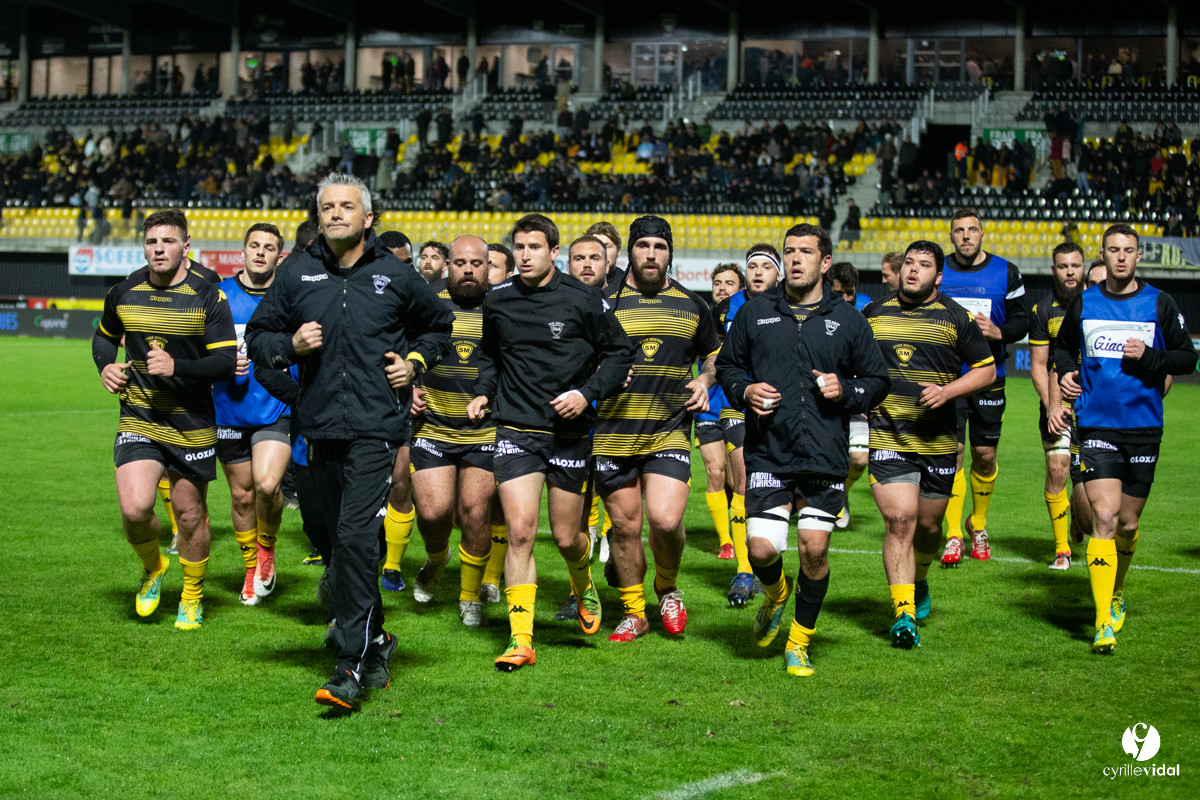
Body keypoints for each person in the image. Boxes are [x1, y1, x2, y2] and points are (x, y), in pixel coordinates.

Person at [245, 173, 453, 709]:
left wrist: (414, 363)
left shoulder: (395, 274)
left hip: (375, 429)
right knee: (338, 544)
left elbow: (439, 325)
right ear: (318, 217)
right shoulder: (296, 273)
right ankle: (379, 640)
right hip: (317, 430)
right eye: (327, 207)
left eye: (347, 206)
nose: (336, 214)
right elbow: (260, 337)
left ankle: (351, 663)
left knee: (357, 537)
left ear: (369, 216)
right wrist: (289, 348)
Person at [717, 223, 888, 676]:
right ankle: (775, 593)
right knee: (760, 551)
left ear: (824, 263)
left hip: (823, 453)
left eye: (805, 253)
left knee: (814, 549)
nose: (795, 260)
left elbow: (878, 381)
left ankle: (799, 642)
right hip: (770, 450)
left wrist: (846, 389)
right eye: (789, 252)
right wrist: (744, 390)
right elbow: (729, 367)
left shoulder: (848, 320)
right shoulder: (755, 314)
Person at [467, 213, 633, 671]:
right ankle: (521, 640)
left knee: (565, 536)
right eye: (519, 247)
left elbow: (620, 353)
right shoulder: (497, 299)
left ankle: (582, 582)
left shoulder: (583, 298)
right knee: (520, 531)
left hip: (569, 433)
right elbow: (490, 355)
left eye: (534, 247)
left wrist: (586, 394)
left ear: (553, 253)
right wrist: (484, 390)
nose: (524, 255)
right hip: (517, 429)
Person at [1052, 223, 1197, 654]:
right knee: (1105, 517)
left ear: (1138, 256)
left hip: (1145, 429)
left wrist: (1151, 357)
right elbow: (1062, 347)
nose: (1120, 257)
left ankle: (1115, 592)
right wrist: (1067, 373)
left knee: (1128, 525)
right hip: (1097, 426)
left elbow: (1188, 357)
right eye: (1113, 249)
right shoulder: (1085, 302)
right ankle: (1101, 623)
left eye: (1128, 250)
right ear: (1103, 253)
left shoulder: (1159, 303)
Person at [92, 208, 237, 631]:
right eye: (152, 241)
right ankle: (154, 567)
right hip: (139, 415)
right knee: (135, 508)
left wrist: (178, 367)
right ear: (144, 246)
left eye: (168, 241)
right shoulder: (124, 290)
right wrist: (105, 365)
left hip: (191, 421)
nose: (159, 249)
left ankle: (192, 594)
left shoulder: (209, 294)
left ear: (185, 247)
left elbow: (226, 362)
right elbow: (104, 337)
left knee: (190, 515)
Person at [863, 240, 996, 649]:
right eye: (908, 263)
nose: (913, 270)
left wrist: (949, 391)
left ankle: (919, 580)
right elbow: (852, 363)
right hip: (888, 435)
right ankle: (903, 615)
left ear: (938, 276)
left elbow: (987, 370)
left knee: (928, 525)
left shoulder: (955, 317)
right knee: (899, 521)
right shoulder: (872, 315)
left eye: (923, 265)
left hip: (938, 439)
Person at [595, 215, 720, 641]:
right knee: (626, 527)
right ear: (629, 250)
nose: (651, 254)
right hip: (611, 432)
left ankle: (666, 588)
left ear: (670, 253)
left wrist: (705, 379)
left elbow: (715, 354)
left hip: (668, 430)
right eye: (643, 245)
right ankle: (634, 611)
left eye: (660, 247)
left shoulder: (692, 304)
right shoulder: (603, 300)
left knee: (665, 522)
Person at [408, 236, 498, 627]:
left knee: (476, 513)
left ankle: (468, 596)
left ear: (488, 266)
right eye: (460, 262)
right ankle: (437, 556)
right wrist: (406, 386)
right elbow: (396, 347)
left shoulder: (502, 307)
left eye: (476, 263)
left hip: (485, 429)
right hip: (432, 423)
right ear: (447, 266)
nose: (467, 269)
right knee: (432, 511)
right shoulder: (424, 303)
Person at [939, 208, 1029, 566]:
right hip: (950, 378)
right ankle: (953, 535)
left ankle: (978, 523)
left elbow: (1022, 319)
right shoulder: (939, 269)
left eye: (972, 229)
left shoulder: (1006, 271)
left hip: (990, 375)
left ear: (981, 233)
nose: (965, 236)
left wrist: (999, 332)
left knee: (985, 456)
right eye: (959, 230)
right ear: (951, 236)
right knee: (954, 453)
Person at [212, 223, 291, 606]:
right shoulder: (219, 297)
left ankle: (267, 550)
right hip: (228, 409)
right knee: (242, 498)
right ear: (242, 252)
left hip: (276, 408)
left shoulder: (289, 298)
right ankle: (250, 570)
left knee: (266, 485)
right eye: (254, 246)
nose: (261, 252)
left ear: (280, 256)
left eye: (269, 247)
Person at [712, 245, 780, 606]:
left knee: (769, 483)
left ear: (777, 275)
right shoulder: (727, 308)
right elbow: (718, 356)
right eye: (752, 265)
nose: (757, 272)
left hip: (779, 405)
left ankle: (767, 556)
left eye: (765, 267)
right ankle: (743, 570)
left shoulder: (790, 305)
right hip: (737, 403)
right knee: (741, 479)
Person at [1027, 242, 1085, 570]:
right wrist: (1052, 405)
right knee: (1057, 468)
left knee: (1087, 481)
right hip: (1056, 402)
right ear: (1054, 270)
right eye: (1063, 266)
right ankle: (1062, 549)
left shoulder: (1097, 303)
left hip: (1094, 405)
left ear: (1084, 268)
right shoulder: (1042, 311)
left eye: (1074, 266)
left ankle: (1080, 517)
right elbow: (1039, 365)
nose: (1069, 272)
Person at [697, 263, 743, 565]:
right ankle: (726, 542)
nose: (722, 288)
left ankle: (740, 535)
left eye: (729, 283)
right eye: (717, 282)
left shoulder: (745, 318)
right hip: (708, 405)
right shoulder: (704, 320)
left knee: (734, 477)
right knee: (715, 472)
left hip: (737, 405)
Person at [827, 261, 872, 530]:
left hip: (856, 399)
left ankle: (841, 492)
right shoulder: (818, 311)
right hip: (826, 400)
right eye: (839, 292)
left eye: (850, 293)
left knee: (859, 458)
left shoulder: (868, 309)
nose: (846, 299)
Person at [586, 220, 624, 286]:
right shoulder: (577, 284)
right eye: (595, 246)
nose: (601, 252)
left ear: (618, 252)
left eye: (607, 246)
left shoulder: (627, 283)